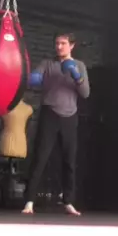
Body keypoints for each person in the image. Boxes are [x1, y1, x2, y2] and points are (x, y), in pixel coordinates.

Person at [22, 32, 90, 216]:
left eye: (63, 43)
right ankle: (29, 201)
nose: (59, 47)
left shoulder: (79, 66)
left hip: (70, 116)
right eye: (57, 43)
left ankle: (68, 202)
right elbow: (33, 81)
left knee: (69, 160)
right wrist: (34, 78)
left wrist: (77, 76)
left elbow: (85, 93)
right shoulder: (47, 64)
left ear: (72, 45)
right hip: (50, 113)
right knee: (40, 157)